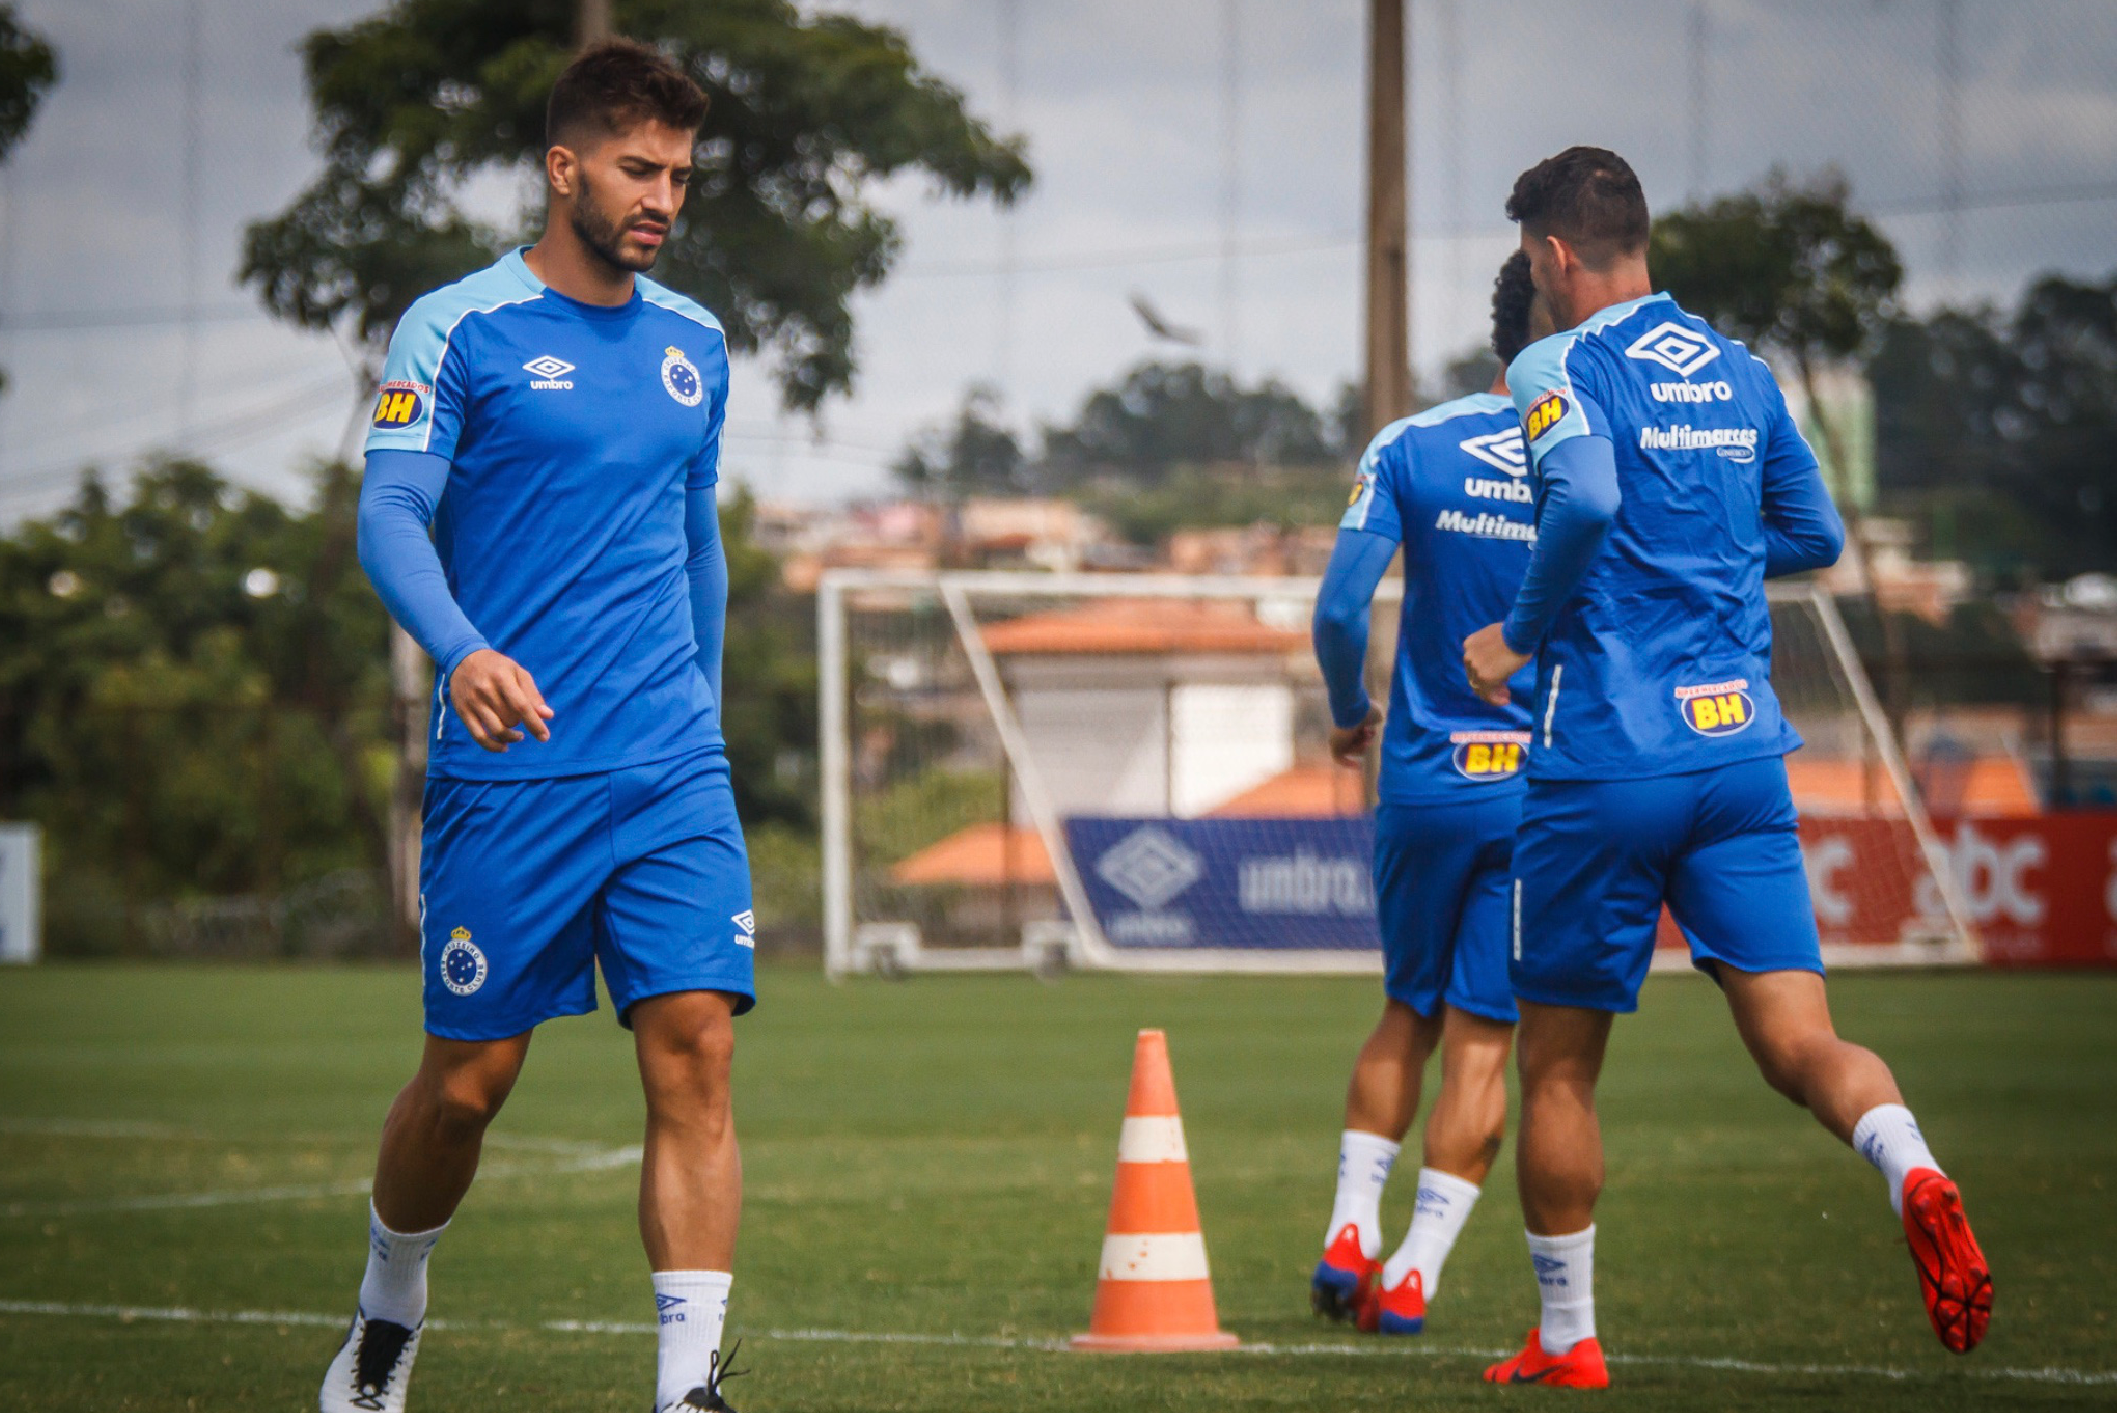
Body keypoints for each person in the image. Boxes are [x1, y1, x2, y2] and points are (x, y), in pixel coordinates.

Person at [1463, 146, 1992, 1389]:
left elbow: (1586, 501)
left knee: (1556, 1065)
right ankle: (1908, 1160)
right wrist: (1700, 548)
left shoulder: (1556, 362)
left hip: (1605, 759)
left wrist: (1520, 631)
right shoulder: (1742, 371)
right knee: (1803, 1043)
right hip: (1741, 753)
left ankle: (1567, 1338)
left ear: (1551, 256)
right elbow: (1813, 533)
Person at [324, 42, 753, 1413]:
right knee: (467, 1085)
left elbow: (699, 549)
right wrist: (461, 651)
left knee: (694, 1041)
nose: (663, 199)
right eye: (639, 169)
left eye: (680, 175)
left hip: (670, 765)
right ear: (564, 168)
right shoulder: (457, 328)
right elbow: (389, 513)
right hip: (513, 772)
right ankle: (387, 1313)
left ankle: (687, 1389)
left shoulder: (696, 344)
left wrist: (706, 709)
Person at [1307, 252, 1554, 1336]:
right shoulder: (1596, 465)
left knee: (1404, 1011)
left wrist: (1347, 711)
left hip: (1420, 782)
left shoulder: (1410, 445)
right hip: (1540, 790)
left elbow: (1337, 609)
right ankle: (1414, 1273)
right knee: (1486, 1041)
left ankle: (1350, 1227)